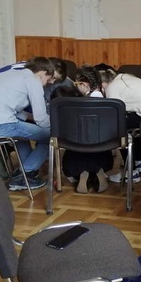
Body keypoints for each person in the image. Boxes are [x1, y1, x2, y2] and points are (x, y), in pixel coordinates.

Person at [0, 56, 55, 190]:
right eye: (47, 80)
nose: (45, 84)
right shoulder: (33, 81)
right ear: (42, 73)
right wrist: (55, 126)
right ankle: (25, 174)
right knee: (51, 137)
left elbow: (16, 112)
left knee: (21, 135)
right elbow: (41, 119)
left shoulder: (8, 74)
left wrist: (31, 118)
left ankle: (25, 174)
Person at [61, 65, 114, 193]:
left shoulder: (75, 104)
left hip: (77, 146)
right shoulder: (110, 102)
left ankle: (81, 172)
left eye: (76, 84)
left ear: (84, 85)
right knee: (96, 142)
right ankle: (98, 170)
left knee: (76, 144)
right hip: (102, 146)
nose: (75, 87)